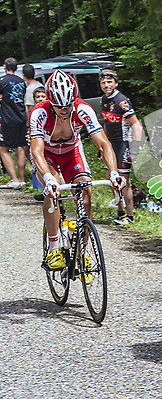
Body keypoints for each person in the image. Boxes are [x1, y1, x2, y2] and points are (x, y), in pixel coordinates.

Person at [30, 70, 125, 269]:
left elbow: (104, 144)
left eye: (68, 105)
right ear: (50, 101)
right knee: (53, 190)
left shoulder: (83, 109)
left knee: (85, 193)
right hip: (47, 156)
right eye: (59, 106)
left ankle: (82, 250)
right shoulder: (39, 112)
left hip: (71, 153)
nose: (64, 110)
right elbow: (37, 151)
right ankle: (54, 248)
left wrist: (114, 172)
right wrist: (47, 178)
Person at [100, 69, 143, 225]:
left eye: (109, 82)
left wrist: (135, 149)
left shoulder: (121, 101)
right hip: (111, 144)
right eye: (103, 82)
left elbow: (137, 125)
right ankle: (120, 212)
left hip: (124, 144)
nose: (106, 85)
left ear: (116, 83)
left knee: (123, 182)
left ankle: (129, 217)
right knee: (110, 179)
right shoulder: (103, 99)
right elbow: (107, 123)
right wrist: (102, 145)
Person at [0, 57, 27, 189]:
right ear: (17, 68)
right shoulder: (22, 82)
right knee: (20, 147)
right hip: (22, 117)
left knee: (3, 149)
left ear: (5, 67)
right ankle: (22, 179)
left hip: (8, 119)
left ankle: (14, 179)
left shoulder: (2, 81)